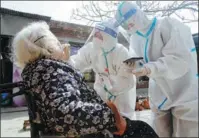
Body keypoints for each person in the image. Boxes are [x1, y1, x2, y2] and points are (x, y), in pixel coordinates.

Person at [11, 21, 159, 138]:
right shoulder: (52, 72)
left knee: (138, 126)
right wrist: (111, 115)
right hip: (98, 123)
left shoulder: (41, 71)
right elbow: (65, 113)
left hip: (111, 105)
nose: (61, 44)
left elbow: (126, 82)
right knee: (143, 130)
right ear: (47, 48)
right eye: (56, 42)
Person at [114, 1, 198, 137]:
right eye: (124, 24)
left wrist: (149, 68)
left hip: (185, 93)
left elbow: (179, 60)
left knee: (187, 132)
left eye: (128, 21)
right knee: (158, 134)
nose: (128, 26)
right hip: (159, 96)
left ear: (137, 13)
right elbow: (137, 62)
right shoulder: (136, 38)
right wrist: (130, 68)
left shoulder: (168, 25)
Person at [70, 18, 137, 120]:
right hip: (101, 88)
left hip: (122, 95)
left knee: (122, 121)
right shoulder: (91, 49)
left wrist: (113, 90)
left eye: (99, 35)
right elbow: (77, 63)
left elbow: (126, 80)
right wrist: (66, 60)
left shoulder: (121, 52)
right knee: (101, 119)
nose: (96, 37)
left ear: (110, 36)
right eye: (95, 34)